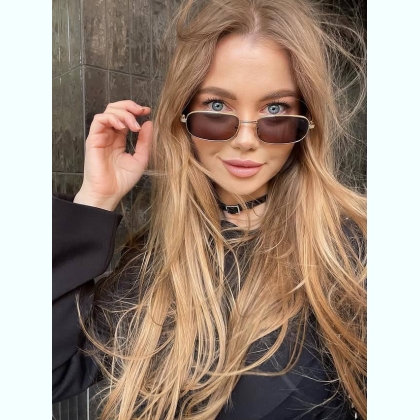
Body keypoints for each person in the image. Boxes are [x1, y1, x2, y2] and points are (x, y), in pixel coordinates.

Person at [52, 0, 367, 419]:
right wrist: (96, 197)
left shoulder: (353, 252)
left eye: (275, 109)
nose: (246, 140)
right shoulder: (150, 264)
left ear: (306, 122)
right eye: (218, 107)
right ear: (182, 118)